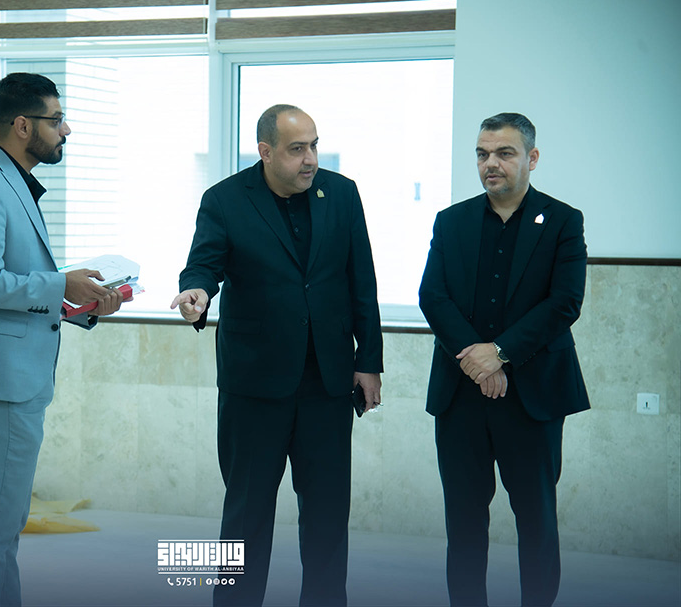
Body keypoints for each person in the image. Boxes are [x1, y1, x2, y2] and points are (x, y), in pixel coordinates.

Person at [172, 104, 383, 607]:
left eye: (314, 145)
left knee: (328, 516)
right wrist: (196, 292)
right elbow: (204, 264)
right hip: (255, 386)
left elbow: (362, 281)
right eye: (296, 149)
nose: (310, 159)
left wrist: (369, 360)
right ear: (265, 152)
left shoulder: (342, 193)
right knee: (245, 516)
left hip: (327, 383)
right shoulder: (225, 200)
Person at [0, 72, 124, 607]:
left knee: (5, 522)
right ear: (21, 125)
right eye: (56, 120)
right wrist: (61, 283)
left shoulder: (10, 180)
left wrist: (82, 301)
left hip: (14, 372)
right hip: (0, 377)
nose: (67, 130)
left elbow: (15, 281)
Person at [419, 112, 590, 606]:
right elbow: (433, 296)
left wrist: (499, 354)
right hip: (460, 395)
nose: (490, 163)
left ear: (532, 158)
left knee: (536, 520)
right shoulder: (451, 221)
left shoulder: (562, 221)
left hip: (532, 396)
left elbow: (564, 302)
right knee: (463, 522)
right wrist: (477, 361)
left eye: (504, 153)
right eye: (482, 154)